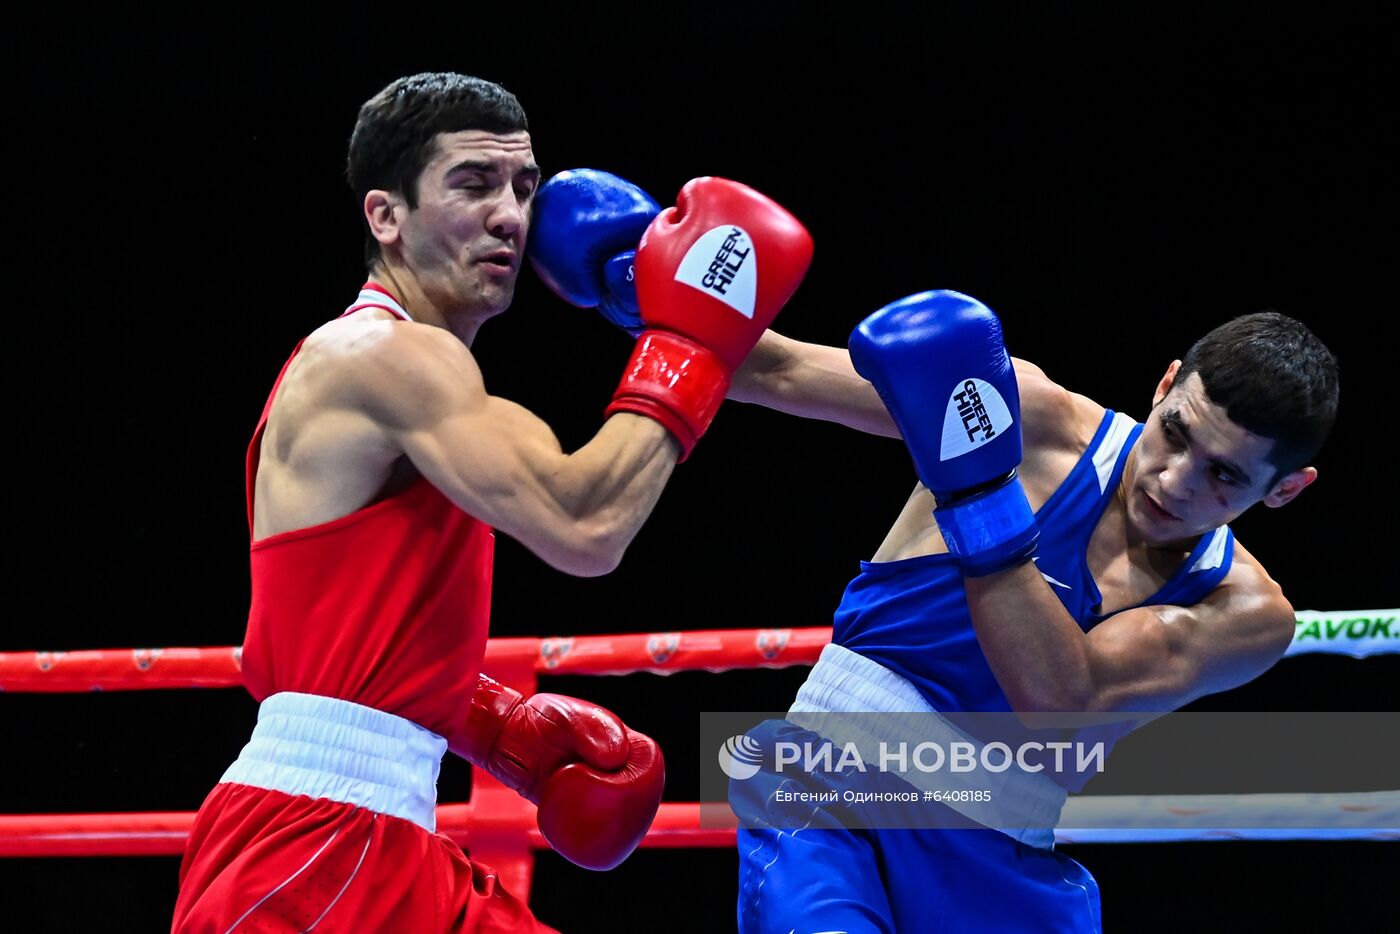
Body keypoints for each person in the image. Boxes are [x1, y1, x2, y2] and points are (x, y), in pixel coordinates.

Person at [170, 71, 813, 932]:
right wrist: (687, 343)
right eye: (473, 184)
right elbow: (586, 527)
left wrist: (490, 724)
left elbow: (301, 632)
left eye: (523, 186)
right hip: (317, 851)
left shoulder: (415, 377)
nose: (510, 214)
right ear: (385, 217)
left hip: (367, 835)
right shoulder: (387, 359)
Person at [717, 291, 1339, 932]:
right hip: (830, 788)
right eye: (1176, 434)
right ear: (1166, 384)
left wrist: (978, 495)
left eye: (1225, 476)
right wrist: (639, 286)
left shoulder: (1242, 609)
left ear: (1286, 489)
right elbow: (772, 368)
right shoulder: (1032, 415)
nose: (1175, 480)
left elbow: (1064, 702)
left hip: (1000, 863)